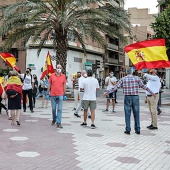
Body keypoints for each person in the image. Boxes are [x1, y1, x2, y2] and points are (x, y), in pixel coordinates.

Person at [101, 67, 155, 135]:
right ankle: (137, 129)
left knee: (127, 113)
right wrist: (152, 92)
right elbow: (144, 86)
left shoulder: (123, 79)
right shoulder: (137, 78)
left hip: (127, 97)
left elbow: (115, 87)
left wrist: (106, 93)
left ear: (127, 72)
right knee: (136, 113)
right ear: (132, 72)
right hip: (135, 97)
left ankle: (128, 129)